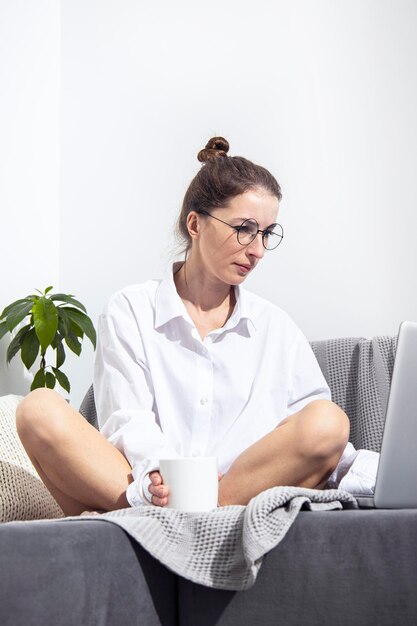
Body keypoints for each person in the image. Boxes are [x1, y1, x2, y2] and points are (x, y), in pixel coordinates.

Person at [16, 136, 350, 516]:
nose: (257, 249)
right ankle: (168, 516)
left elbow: (315, 435)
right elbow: (128, 420)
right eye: (245, 228)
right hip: (142, 490)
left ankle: (199, 519)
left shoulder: (277, 328)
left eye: (267, 233)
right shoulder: (130, 309)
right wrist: (159, 479)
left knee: (330, 421)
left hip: (234, 495)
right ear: (195, 224)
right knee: (37, 409)